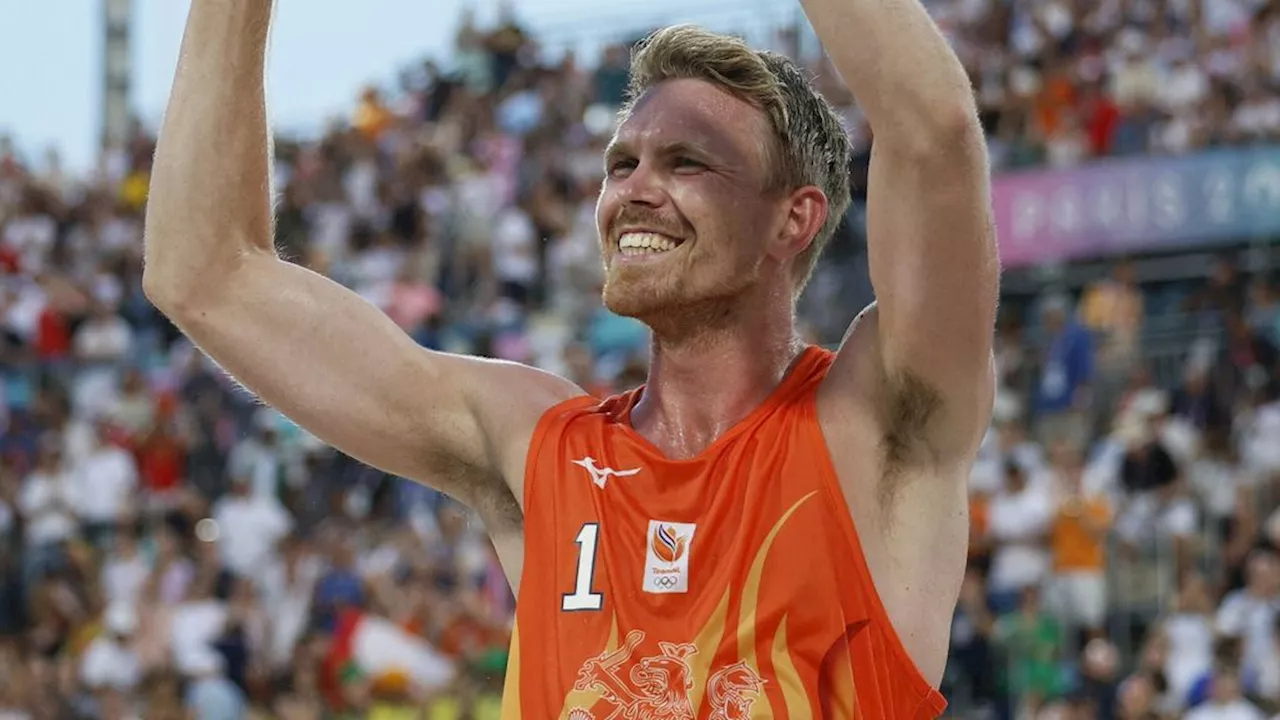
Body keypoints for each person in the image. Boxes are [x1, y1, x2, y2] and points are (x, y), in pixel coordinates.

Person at [142, 0, 996, 717]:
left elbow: (935, 129)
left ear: (794, 219)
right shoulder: (539, 447)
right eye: (621, 162)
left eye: (686, 161)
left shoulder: (878, 419)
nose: (633, 189)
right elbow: (205, 273)